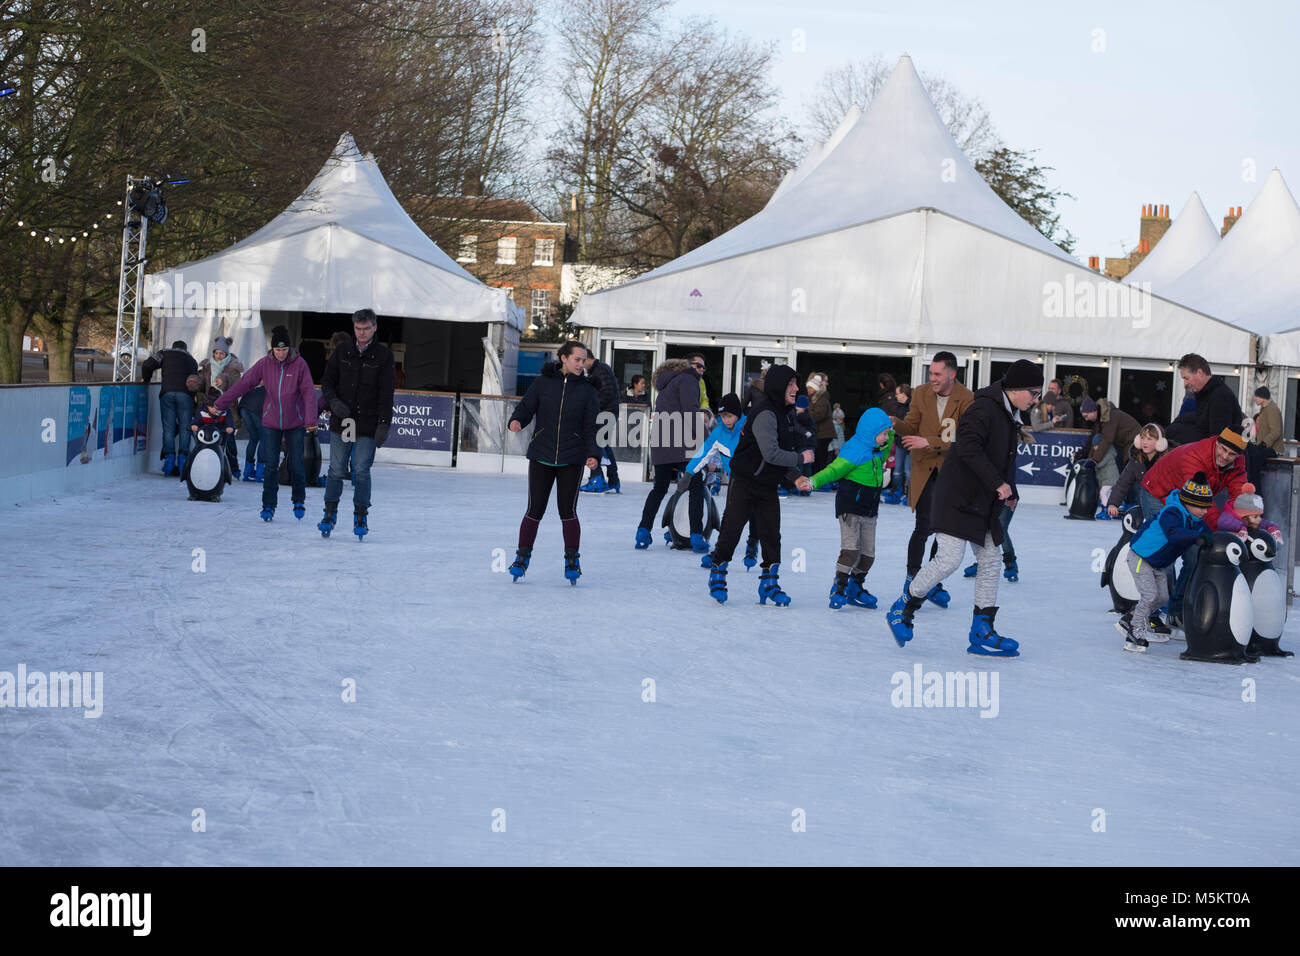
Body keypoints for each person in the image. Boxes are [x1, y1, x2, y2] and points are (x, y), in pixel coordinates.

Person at [887, 359, 1042, 657]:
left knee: (991, 560)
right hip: (957, 497)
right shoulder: (984, 408)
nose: (1036, 400)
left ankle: (982, 630)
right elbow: (968, 446)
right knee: (949, 559)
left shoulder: (1010, 414)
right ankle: (903, 605)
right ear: (1017, 388)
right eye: (1034, 393)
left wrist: (1010, 490)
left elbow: (1003, 457)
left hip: (982, 499)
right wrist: (998, 483)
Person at [705, 365, 811, 605]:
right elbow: (772, 453)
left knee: (771, 534)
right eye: (791, 384)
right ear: (779, 386)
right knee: (732, 530)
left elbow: (781, 452)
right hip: (744, 481)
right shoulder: (765, 413)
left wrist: (795, 476)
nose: (796, 389)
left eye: (796, 383)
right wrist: (800, 460)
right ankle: (718, 573)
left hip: (766, 484)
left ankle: (769, 582)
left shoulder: (785, 413)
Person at [506, 341, 599, 583]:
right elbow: (526, 407)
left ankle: (572, 560)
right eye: (577, 359)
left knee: (567, 511)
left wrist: (593, 453)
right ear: (564, 358)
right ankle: (521, 557)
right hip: (541, 455)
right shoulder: (543, 383)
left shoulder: (588, 390)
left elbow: (592, 427)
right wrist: (516, 420)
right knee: (534, 510)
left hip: (572, 458)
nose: (581, 364)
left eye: (584, 360)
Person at [891, 351, 975, 608]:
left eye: (938, 374)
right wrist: (894, 422)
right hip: (925, 470)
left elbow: (965, 439)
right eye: (931, 373)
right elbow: (910, 426)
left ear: (952, 374)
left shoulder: (968, 398)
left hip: (951, 473)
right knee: (923, 527)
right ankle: (911, 578)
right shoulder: (921, 392)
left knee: (944, 531)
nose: (933, 378)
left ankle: (932, 580)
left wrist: (929, 441)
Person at [1139, 428, 1247, 627]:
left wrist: (1246, 522)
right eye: (1222, 450)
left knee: (1195, 554)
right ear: (1217, 443)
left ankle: (1176, 610)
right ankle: (1153, 612)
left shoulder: (1236, 463)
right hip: (1158, 492)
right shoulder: (1195, 456)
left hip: (1192, 503)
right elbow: (1204, 502)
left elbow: (1240, 497)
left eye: (1231, 454)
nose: (1225, 457)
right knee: (1165, 553)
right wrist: (1222, 530)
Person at [216, 325, 319, 521]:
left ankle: (299, 500)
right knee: (270, 465)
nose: (281, 354)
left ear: (289, 348)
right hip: (271, 422)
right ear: (272, 349)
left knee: (296, 464)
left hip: (295, 423)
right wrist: (221, 402)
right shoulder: (265, 364)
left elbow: (308, 394)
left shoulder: (300, 365)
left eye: (284, 350)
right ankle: (268, 505)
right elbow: (244, 384)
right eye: (277, 350)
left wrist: (310, 420)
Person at [318, 308, 396, 539]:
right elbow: (328, 382)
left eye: (366, 329)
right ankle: (329, 513)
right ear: (354, 328)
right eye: (358, 329)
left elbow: (386, 393)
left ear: (374, 328)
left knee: (361, 471)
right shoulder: (342, 350)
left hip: (368, 423)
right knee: (336, 470)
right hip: (342, 421)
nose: (361, 333)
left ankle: (360, 515)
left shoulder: (383, 355)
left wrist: (384, 424)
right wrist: (333, 402)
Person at [807, 407, 892, 610]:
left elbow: (886, 448)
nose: (886, 437)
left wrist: (892, 429)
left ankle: (856, 587)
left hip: (870, 509)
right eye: (884, 433)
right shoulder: (854, 450)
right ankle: (839, 587)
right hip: (851, 507)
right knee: (851, 551)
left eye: (888, 433)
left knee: (868, 556)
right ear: (872, 433)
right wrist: (813, 482)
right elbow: (833, 470)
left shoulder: (878, 449)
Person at [1119, 472, 1212, 652]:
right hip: (1141, 557)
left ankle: (1131, 617)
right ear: (1189, 503)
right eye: (1201, 507)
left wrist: (1217, 539)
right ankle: (1135, 630)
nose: (1205, 511)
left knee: (1163, 597)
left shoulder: (1195, 519)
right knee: (1150, 595)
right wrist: (1197, 537)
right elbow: (1173, 533)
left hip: (1157, 563)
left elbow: (1208, 534)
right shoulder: (1172, 512)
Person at [635, 355, 708, 551]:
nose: (701, 370)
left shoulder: (667, 384)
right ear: (688, 366)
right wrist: (708, 440)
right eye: (698, 366)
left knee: (659, 488)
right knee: (696, 485)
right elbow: (690, 412)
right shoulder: (688, 379)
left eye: (703, 367)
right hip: (682, 445)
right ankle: (696, 535)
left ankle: (643, 531)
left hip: (661, 443)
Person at [140, 340, 198, 476]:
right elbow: (195, 381)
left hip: (167, 393)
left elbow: (147, 365)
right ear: (185, 348)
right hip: (186, 395)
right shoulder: (192, 360)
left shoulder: (165, 353)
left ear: (173, 347)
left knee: (168, 428)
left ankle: (169, 463)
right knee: (185, 428)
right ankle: (183, 462)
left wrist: (146, 380)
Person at [1078, 396, 1140, 517]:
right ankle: (1122, 504)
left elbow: (1106, 440)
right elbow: (1095, 441)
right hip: (1125, 444)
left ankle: (1133, 505)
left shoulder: (1110, 416)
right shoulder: (1100, 419)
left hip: (1135, 443)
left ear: (1093, 411)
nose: (1085, 419)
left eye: (1086, 416)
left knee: (1130, 473)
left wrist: (1094, 460)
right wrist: (1089, 458)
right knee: (1125, 473)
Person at [191, 337, 245, 476]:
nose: (219, 356)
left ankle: (234, 469)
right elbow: (202, 386)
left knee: (229, 438)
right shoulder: (207, 366)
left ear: (226, 354)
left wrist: (225, 383)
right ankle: (206, 467)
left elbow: (237, 387)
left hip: (228, 408)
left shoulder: (233, 368)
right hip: (209, 408)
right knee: (207, 438)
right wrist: (194, 383)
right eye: (216, 353)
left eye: (222, 353)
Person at [1165, 353, 1245, 446]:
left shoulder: (1220, 397)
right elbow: (1202, 419)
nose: (1185, 384)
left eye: (1186, 378)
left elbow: (1218, 441)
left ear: (1200, 373)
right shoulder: (1206, 394)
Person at [683, 392, 745, 505]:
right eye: (723, 416)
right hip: (735, 480)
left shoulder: (747, 428)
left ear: (738, 414)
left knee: (758, 517)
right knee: (731, 516)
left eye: (729, 416)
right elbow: (703, 453)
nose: (726, 420)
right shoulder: (718, 433)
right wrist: (688, 473)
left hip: (754, 480)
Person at [580, 349, 622, 494]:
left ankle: (596, 479)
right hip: (608, 412)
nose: (580, 365)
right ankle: (613, 480)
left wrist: (591, 407)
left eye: (581, 361)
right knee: (603, 445)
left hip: (605, 413)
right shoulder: (600, 369)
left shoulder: (600, 370)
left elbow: (607, 393)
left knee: (593, 443)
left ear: (587, 359)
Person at [1107, 423, 1168, 517]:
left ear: (1160, 443)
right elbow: (1122, 483)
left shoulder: (1168, 461)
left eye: (1149, 439)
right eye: (1142, 438)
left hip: (1164, 508)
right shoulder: (1136, 461)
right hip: (1143, 507)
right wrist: (1113, 503)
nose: (1144, 442)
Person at [1217, 484, 1284, 543]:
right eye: (1256, 517)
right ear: (1244, 516)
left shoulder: (1253, 521)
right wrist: (1242, 528)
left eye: (1259, 516)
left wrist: (1272, 528)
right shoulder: (1227, 518)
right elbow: (1222, 523)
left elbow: (1264, 523)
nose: (1259, 519)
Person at [1247, 386, 1284, 485]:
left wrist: (1264, 443)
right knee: (1249, 455)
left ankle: (1256, 492)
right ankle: (1252, 489)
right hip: (1265, 447)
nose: (1254, 398)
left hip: (1272, 449)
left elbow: (1276, 431)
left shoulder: (1272, 409)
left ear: (1263, 397)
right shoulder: (1265, 409)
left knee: (1254, 462)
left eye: (1256, 396)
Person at [882, 383, 912, 503]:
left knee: (908, 471)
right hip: (899, 442)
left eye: (897, 394)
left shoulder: (913, 406)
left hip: (909, 443)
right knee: (897, 471)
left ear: (904, 394)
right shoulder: (897, 406)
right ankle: (896, 492)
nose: (896, 396)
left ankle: (909, 494)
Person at [238, 381, 266, 482]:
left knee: (253, 438)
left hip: (244, 408)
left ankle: (247, 471)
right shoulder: (274, 390)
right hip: (255, 409)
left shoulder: (259, 388)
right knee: (264, 438)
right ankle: (260, 472)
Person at [807, 373, 834, 472]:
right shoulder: (814, 398)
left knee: (820, 457)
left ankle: (820, 480)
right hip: (820, 433)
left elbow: (819, 415)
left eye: (810, 388)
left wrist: (805, 416)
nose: (808, 390)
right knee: (819, 457)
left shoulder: (821, 398)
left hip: (823, 433)